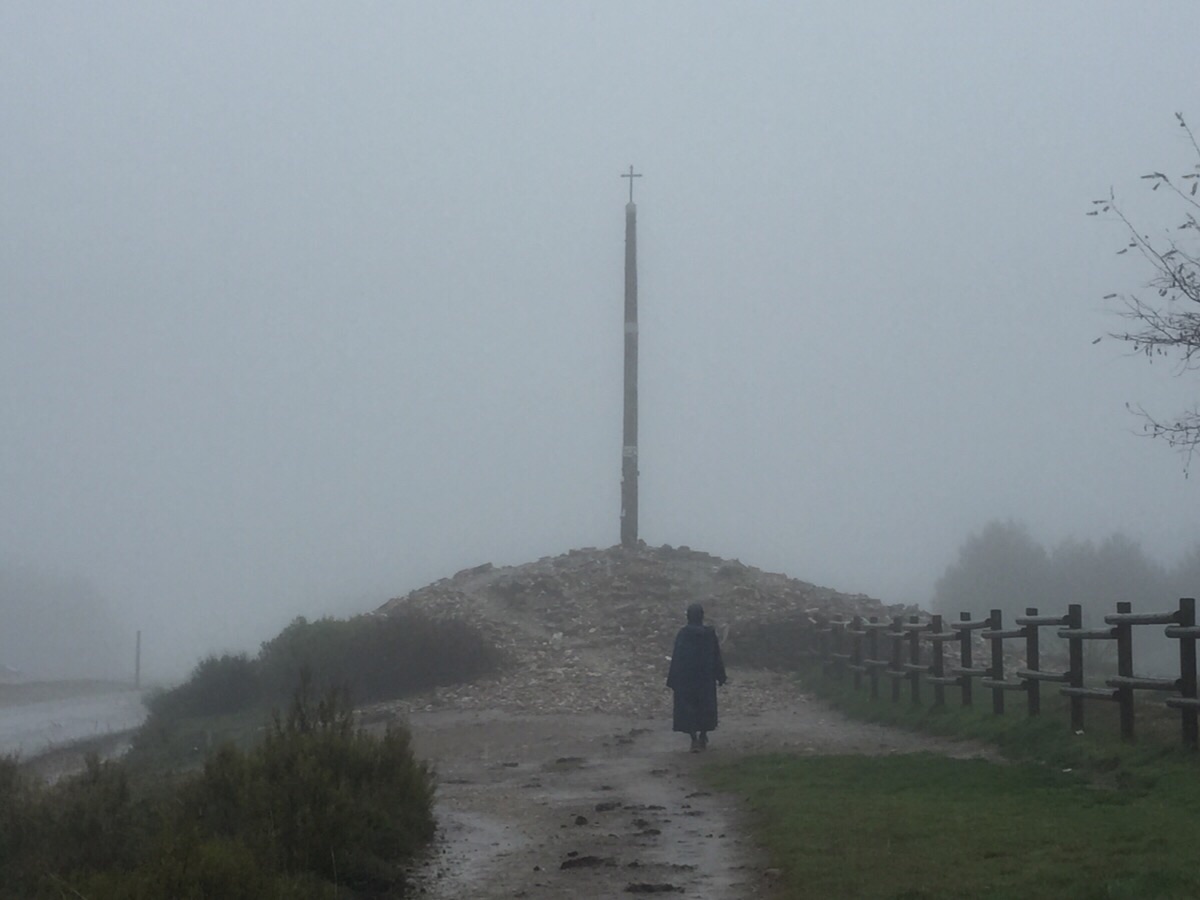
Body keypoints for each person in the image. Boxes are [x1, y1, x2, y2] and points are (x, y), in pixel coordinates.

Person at [666, 602, 727, 752]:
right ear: (702, 616)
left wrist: (672, 679)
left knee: (689, 709)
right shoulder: (709, 634)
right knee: (705, 708)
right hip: (705, 679)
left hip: (687, 679)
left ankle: (694, 739)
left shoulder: (683, 634)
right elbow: (716, 656)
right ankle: (703, 736)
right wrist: (721, 676)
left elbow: (677, 657)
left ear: (688, 616)